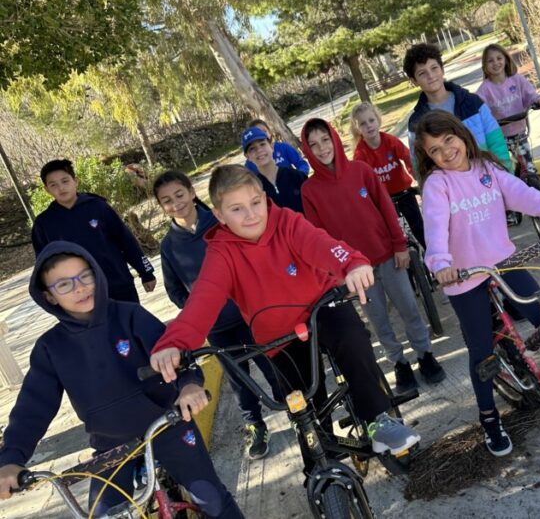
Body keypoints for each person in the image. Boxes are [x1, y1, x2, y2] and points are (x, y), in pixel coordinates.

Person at [148, 165, 420, 473]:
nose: (251, 214)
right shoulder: (220, 252)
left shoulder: (287, 222)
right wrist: (175, 343)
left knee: (351, 339)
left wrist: (353, 264)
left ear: (265, 198)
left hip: (322, 305)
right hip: (277, 333)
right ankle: (320, 461)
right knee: (304, 404)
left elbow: (323, 245)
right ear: (220, 215)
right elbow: (202, 301)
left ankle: (377, 419)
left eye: (255, 203)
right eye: (236, 209)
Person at [0, 243, 243, 517]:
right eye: (64, 285)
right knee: (101, 514)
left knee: (211, 499)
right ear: (49, 296)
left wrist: (188, 385)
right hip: (111, 445)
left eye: (85, 276)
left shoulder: (130, 316)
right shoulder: (50, 348)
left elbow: (173, 353)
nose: (80, 288)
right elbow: (34, 407)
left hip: (167, 425)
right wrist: (11, 459)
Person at [415, 110, 540, 456]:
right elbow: (434, 227)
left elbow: (523, 195)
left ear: (461, 135)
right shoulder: (438, 184)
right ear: (428, 157)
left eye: (449, 140)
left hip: (502, 261)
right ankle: (490, 417)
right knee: (482, 351)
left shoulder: (486, 169)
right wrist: (441, 264)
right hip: (464, 276)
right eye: (435, 150)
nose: (446, 152)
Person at [301, 118, 446, 395]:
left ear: (334, 138)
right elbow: (320, 238)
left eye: (325, 139)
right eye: (313, 144)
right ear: (307, 150)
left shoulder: (361, 170)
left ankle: (425, 354)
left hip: (388, 256)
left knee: (409, 308)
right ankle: (399, 363)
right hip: (355, 272)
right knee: (378, 319)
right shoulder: (310, 191)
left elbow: (387, 210)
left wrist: (400, 246)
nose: (322, 148)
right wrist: (339, 273)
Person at [153, 170, 282, 459]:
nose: (176, 203)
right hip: (217, 327)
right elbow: (174, 289)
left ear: (191, 190)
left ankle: (295, 411)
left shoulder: (221, 221)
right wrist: (200, 311)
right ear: (161, 207)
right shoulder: (169, 246)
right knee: (238, 379)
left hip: (251, 314)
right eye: (167, 201)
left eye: (179, 194)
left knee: (272, 364)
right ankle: (255, 425)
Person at [31, 159, 156, 303]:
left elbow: (126, 240)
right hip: (79, 295)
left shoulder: (98, 207)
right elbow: (44, 265)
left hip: (118, 284)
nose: (61, 188)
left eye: (65, 181)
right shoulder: (44, 224)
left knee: (132, 323)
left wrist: (146, 272)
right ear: (47, 190)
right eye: (54, 185)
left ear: (75, 181)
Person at [403, 43, 512, 177]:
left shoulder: (473, 103)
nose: (431, 76)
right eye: (422, 73)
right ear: (414, 81)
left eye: (434, 68)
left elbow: (496, 143)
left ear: (442, 70)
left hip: (488, 179)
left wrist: (507, 176)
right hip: (452, 191)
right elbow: (419, 166)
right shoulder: (416, 122)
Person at [350, 102, 425, 248]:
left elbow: (409, 159)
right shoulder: (360, 154)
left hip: (404, 192)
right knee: (393, 235)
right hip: (382, 200)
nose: (369, 125)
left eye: (371, 120)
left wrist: (418, 178)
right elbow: (359, 181)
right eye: (363, 124)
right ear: (357, 129)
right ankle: (407, 266)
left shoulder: (390, 141)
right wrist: (365, 200)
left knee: (419, 228)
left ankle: (434, 262)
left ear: (378, 120)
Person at [476, 43, 540, 174]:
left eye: (499, 58)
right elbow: (478, 109)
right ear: (485, 66)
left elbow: (530, 95)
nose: (496, 63)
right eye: (490, 60)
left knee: (529, 168)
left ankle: (534, 186)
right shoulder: (484, 90)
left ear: (505, 59)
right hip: (498, 137)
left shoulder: (517, 80)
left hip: (519, 133)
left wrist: (539, 101)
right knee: (503, 170)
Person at [241, 126, 307, 213]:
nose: (259, 150)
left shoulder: (296, 176)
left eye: (262, 144)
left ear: (271, 146)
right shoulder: (255, 190)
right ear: (247, 156)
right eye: (252, 149)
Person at [243, 118, 310, 175]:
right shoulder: (250, 162)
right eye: (257, 133)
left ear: (270, 132)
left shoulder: (283, 147)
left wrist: (299, 176)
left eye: (264, 131)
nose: (261, 134)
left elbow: (301, 163)